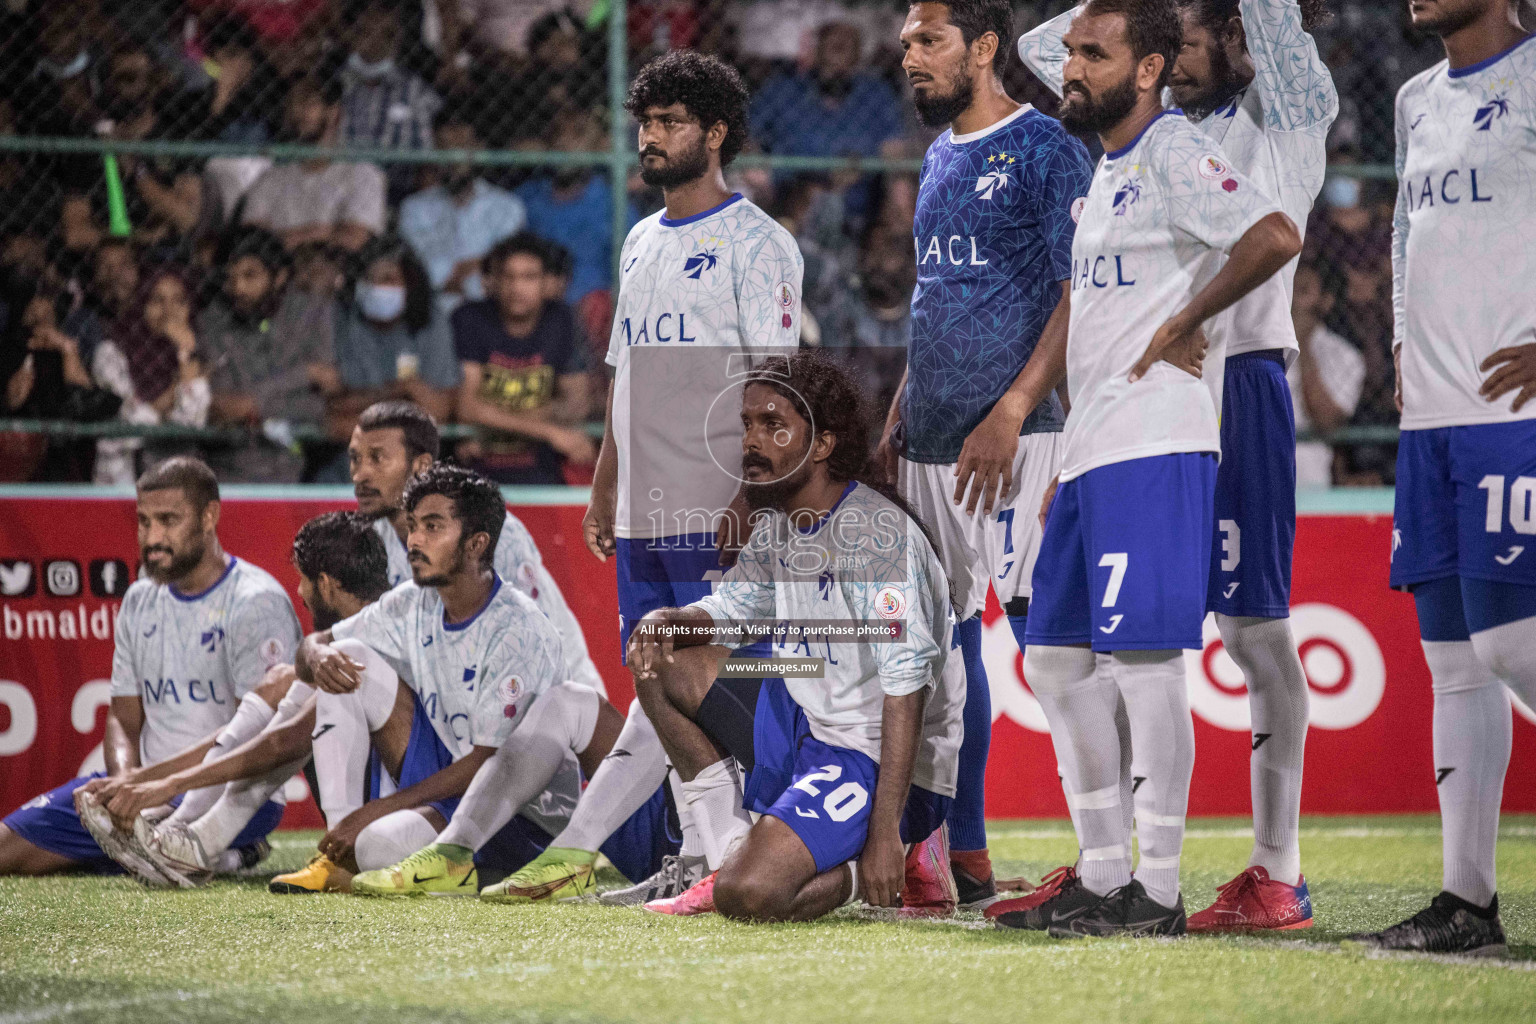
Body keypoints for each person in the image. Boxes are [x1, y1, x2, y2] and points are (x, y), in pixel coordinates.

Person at [1012, 0, 1338, 933]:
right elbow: (1060, 50)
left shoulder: (1288, 114)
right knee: (1091, 644)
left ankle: (1275, 865)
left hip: (1236, 382)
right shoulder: (1150, 137)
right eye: (1174, 40)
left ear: (1238, 40)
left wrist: (1254, 16)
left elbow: (1272, 50)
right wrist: (1134, 24)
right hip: (1133, 395)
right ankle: (1111, 864)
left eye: (1201, 36)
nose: (1186, 55)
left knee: (1249, 628)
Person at [871, 0, 1095, 909]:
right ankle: (957, 851)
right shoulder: (935, 155)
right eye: (906, 47)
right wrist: (900, 405)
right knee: (939, 655)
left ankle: (1106, 864)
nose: (912, 59)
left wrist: (1013, 406)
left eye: (930, 42)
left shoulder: (1047, 148)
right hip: (928, 438)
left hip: (1019, 441)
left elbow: (1084, 287)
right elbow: (938, 294)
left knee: (1052, 649)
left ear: (986, 47)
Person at [621, 351, 964, 922]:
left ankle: (888, 860)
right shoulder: (780, 524)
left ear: (823, 445)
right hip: (805, 719)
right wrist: (664, 623)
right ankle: (724, 857)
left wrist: (884, 834)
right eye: (747, 424)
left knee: (750, 899)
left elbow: (907, 689)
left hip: (875, 754)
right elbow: (732, 609)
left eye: (773, 425)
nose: (752, 441)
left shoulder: (875, 536)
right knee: (659, 660)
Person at [1350, 0, 1536, 956]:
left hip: (1517, 411)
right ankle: (1469, 904)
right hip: (1433, 416)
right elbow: (1403, 232)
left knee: (1512, 644)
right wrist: (1398, 347)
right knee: (1453, 660)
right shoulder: (1417, 97)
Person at [0, 457, 302, 877]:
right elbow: (123, 718)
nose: (152, 537)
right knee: (6, 851)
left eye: (168, 520)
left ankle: (225, 851)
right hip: (146, 785)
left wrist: (153, 785)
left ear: (209, 516)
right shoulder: (139, 599)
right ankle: (225, 858)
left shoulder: (254, 601)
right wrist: (126, 784)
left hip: (229, 789)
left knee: (145, 856)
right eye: (144, 521)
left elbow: (252, 735)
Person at [281, 465, 567, 890]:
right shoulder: (413, 602)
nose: (414, 540)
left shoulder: (517, 630)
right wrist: (317, 653)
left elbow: (489, 764)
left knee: (377, 845)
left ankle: (483, 870)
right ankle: (335, 856)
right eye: (413, 526)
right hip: (447, 784)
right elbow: (315, 647)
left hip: (512, 815)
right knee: (346, 656)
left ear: (476, 543)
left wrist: (376, 811)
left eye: (433, 527)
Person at [84, 511, 391, 886]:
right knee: (284, 679)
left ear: (325, 585)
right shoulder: (375, 625)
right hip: (385, 806)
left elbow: (280, 743)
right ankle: (187, 835)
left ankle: (196, 840)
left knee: (299, 709)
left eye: (303, 582)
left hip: (398, 815)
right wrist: (146, 779)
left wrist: (170, 784)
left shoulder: (366, 649)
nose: (299, 592)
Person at [347, 400, 606, 694]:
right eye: (355, 459)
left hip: (549, 702)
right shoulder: (369, 542)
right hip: (453, 706)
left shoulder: (492, 532)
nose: (360, 474)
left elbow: (539, 645)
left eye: (377, 458)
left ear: (420, 466)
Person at [452, 233, 595, 485]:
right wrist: (550, 430)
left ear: (546, 283)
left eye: (529, 277)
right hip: (475, 470)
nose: (517, 287)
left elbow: (577, 403)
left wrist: (494, 422)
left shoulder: (562, 320)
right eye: (508, 277)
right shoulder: (470, 319)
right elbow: (467, 408)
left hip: (540, 466)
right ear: (492, 282)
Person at [200, 227, 340, 482]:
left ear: (279, 277)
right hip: (230, 469)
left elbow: (322, 404)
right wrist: (305, 374)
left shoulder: (311, 314)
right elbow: (223, 406)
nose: (237, 288)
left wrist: (254, 405)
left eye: (250, 275)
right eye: (230, 278)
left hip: (298, 467)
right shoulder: (212, 322)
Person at [398, 110, 528, 314]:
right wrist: (475, 268)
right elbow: (427, 274)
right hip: (432, 313)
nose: (454, 157)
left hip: (491, 315)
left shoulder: (507, 207)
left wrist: (452, 275)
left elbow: (500, 276)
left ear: (478, 148)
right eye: (445, 147)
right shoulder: (414, 208)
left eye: (461, 146)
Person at [91, 266, 211, 485]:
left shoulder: (192, 353)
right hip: (120, 478)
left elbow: (192, 421)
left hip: (175, 481)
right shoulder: (111, 352)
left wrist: (185, 353)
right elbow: (132, 421)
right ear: (140, 305)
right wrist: (175, 391)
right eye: (157, 300)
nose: (168, 311)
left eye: (179, 301)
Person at [241, 76, 387, 254]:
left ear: (334, 113)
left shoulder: (363, 174)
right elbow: (251, 241)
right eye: (292, 104)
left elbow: (354, 240)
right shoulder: (271, 177)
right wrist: (325, 232)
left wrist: (283, 239)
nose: (296, 111)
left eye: (308, 103)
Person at [329, 237, 459, 431]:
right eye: (368, 279)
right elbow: (334, 413)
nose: (376, 286)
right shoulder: (342, 320)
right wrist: (402, 389)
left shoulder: (431, 322)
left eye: (388, 279)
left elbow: (439, 410)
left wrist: (366, 401)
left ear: (409, 283)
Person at [1288, 261, 1363, 487]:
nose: (1290, 298)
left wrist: (1303, 346)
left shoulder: (1344, 355)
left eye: (1302, 290)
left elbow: (1326, 421)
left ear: (1325, 301)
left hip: (1307, 470)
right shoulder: (1258, 343)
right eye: (1289, 288)